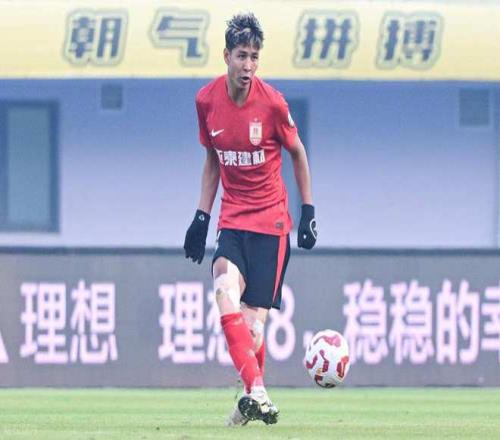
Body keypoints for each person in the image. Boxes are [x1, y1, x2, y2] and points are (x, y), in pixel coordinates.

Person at [183, 12, 317, 426]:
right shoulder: (206, 101)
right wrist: (201, 216)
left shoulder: (273, 103)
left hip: (271, 227)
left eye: (254, 57)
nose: (248, 65)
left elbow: (298, 153)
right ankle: (257, 390)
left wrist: (308, 211)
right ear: (226, 56)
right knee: (223, 289)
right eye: (241, 56)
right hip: (233, 220)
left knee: (252, 325)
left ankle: (250, 398)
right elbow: (212, 159)